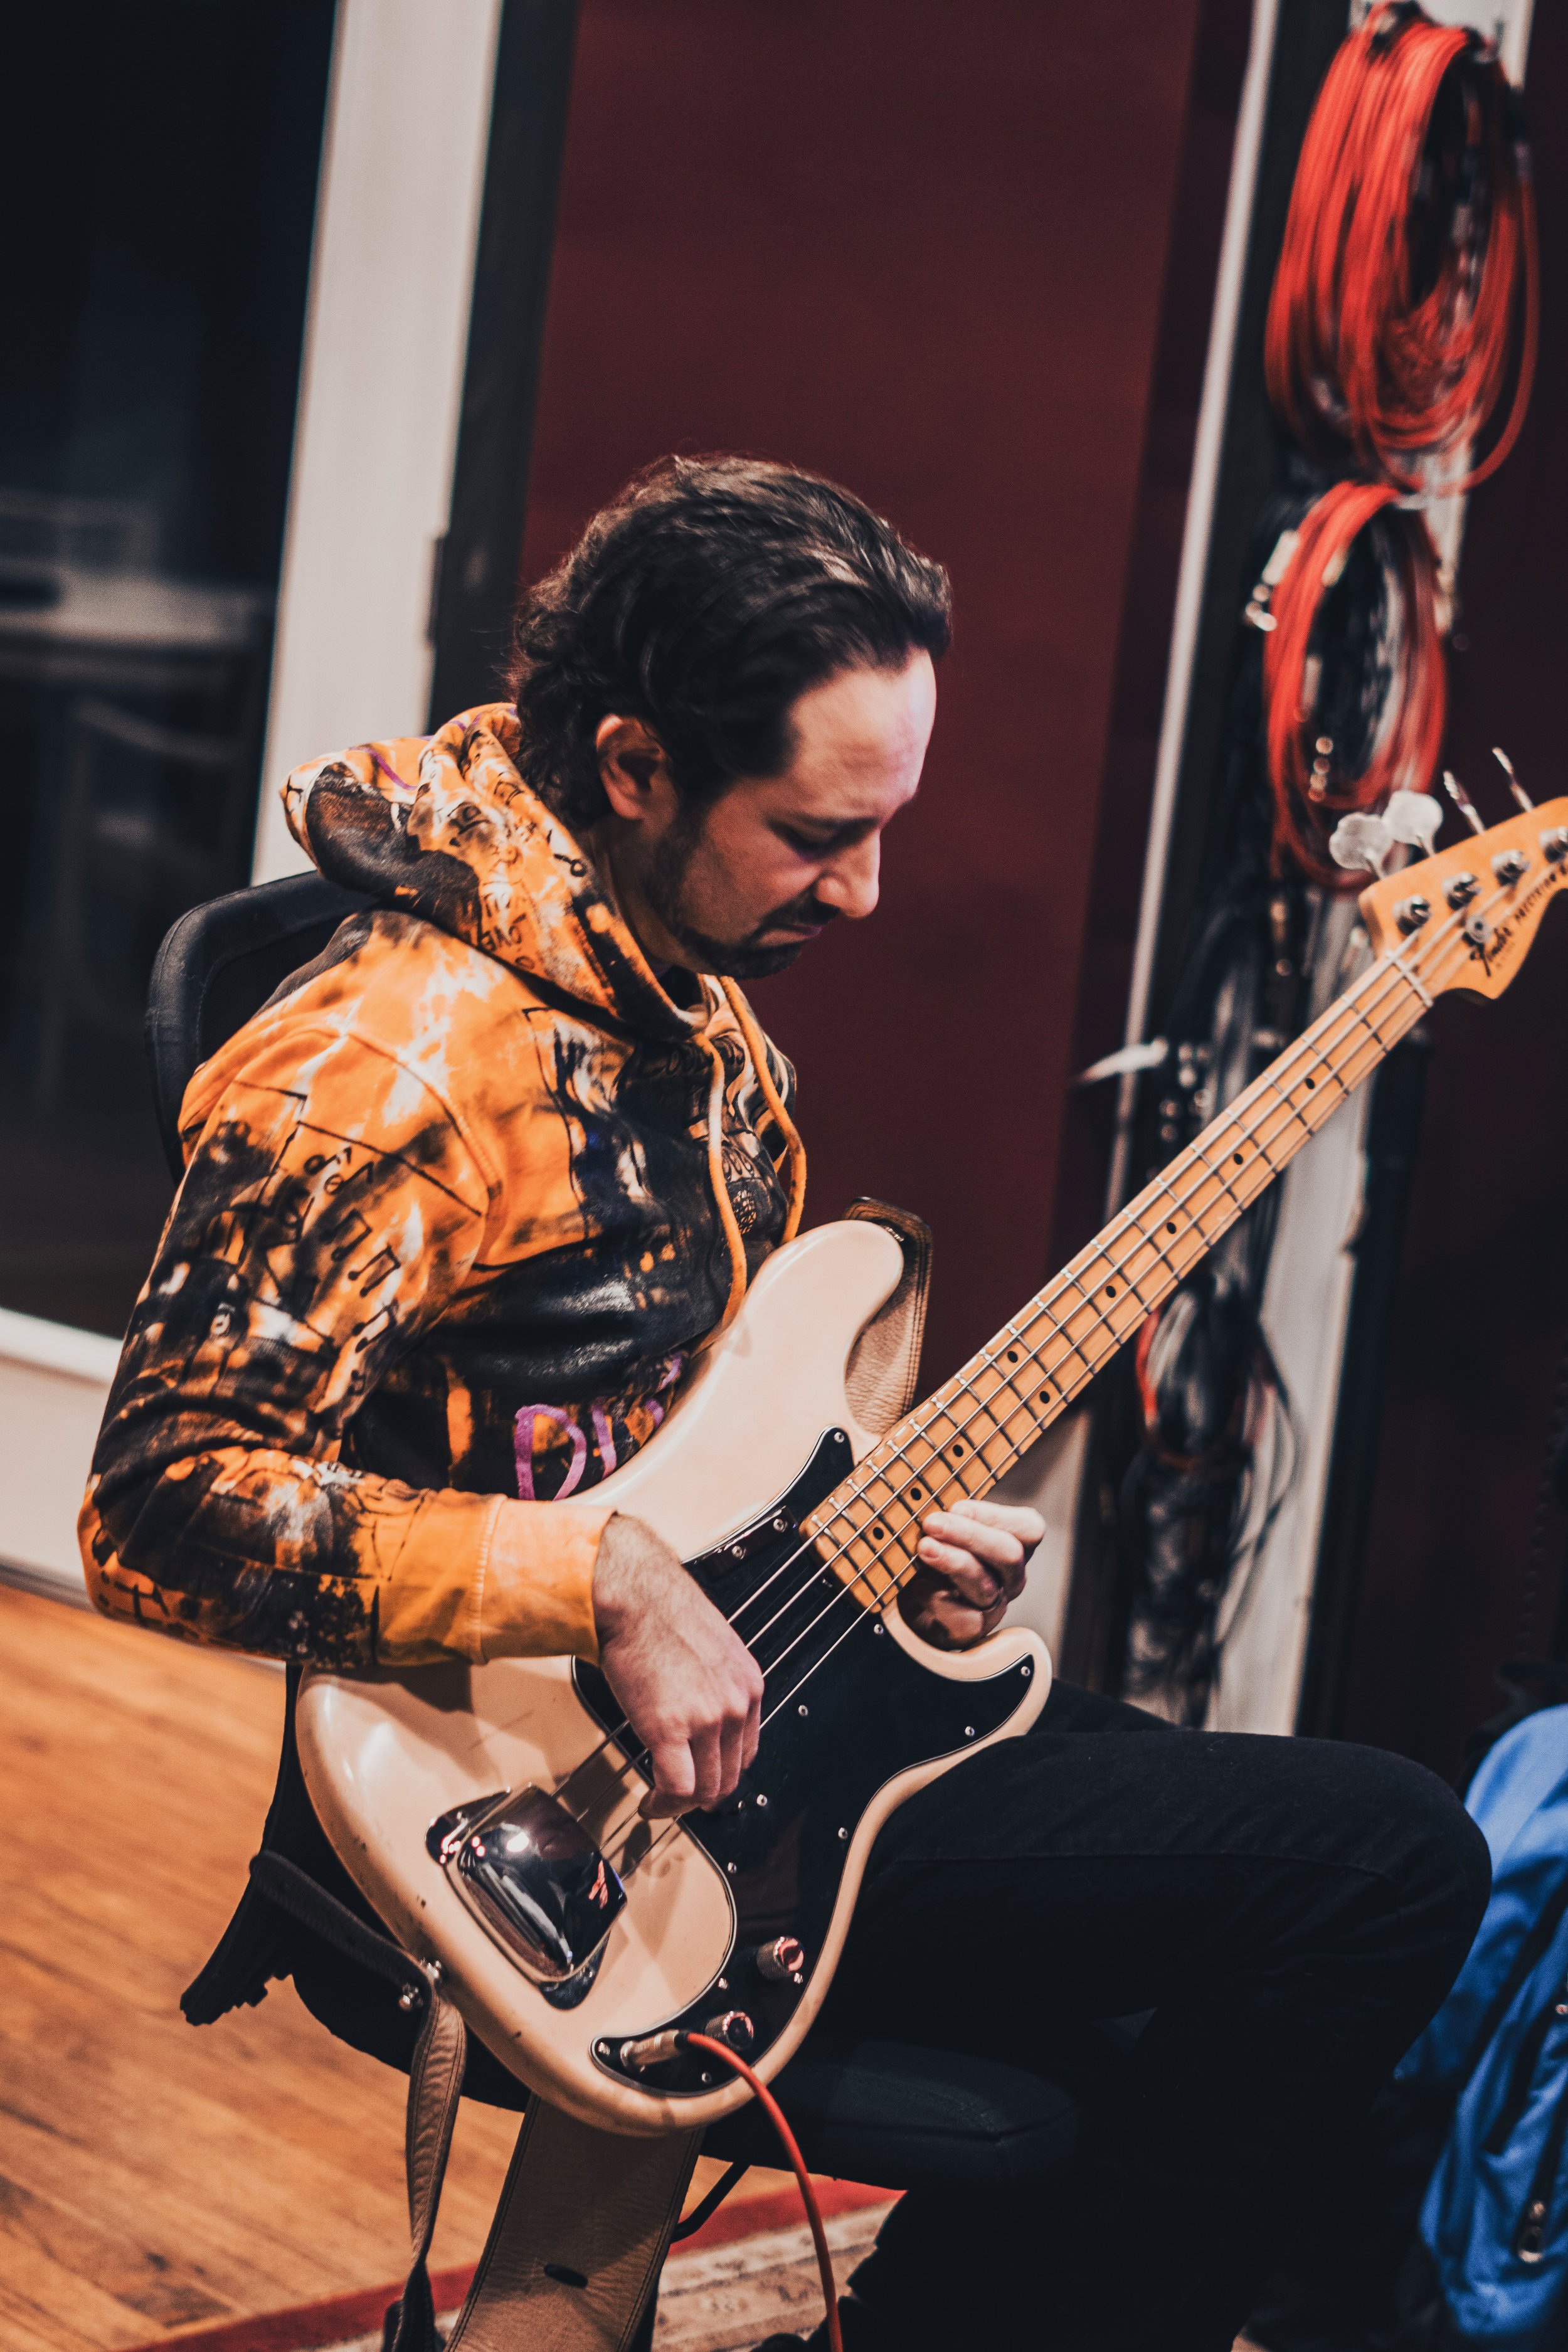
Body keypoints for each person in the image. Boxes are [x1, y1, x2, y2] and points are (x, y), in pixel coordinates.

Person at [81, 457, 1489, 2351]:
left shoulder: (678, 978)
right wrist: (605, 1581)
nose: (869, 889)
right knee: (1382, 1865)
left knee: (1208, 1960)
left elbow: (676, 1422)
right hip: (523, 1798)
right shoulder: (391, 1068)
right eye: (818, 833)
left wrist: (880, 1532)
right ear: (634, 765)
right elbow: (160, 1507)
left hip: (767, 1700)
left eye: (886, 826)